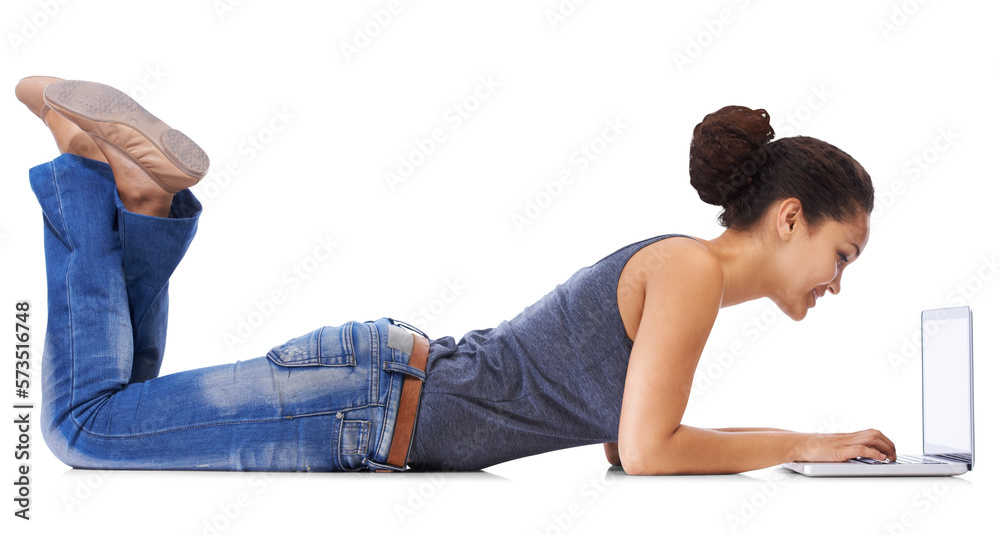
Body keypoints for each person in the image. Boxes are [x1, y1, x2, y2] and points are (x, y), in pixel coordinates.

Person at [17, 76, 896, 475]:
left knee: (119, 406)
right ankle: (93, 181)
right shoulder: (691, 273)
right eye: (841, 254)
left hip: (378, 389)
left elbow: (629, 439)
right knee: (83, 428)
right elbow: (650, 449)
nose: (837, 282)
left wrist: (642, 438)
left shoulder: (680, 268)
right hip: (366, 402)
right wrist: (805, 442)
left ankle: (137, 199)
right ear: (789, 219)